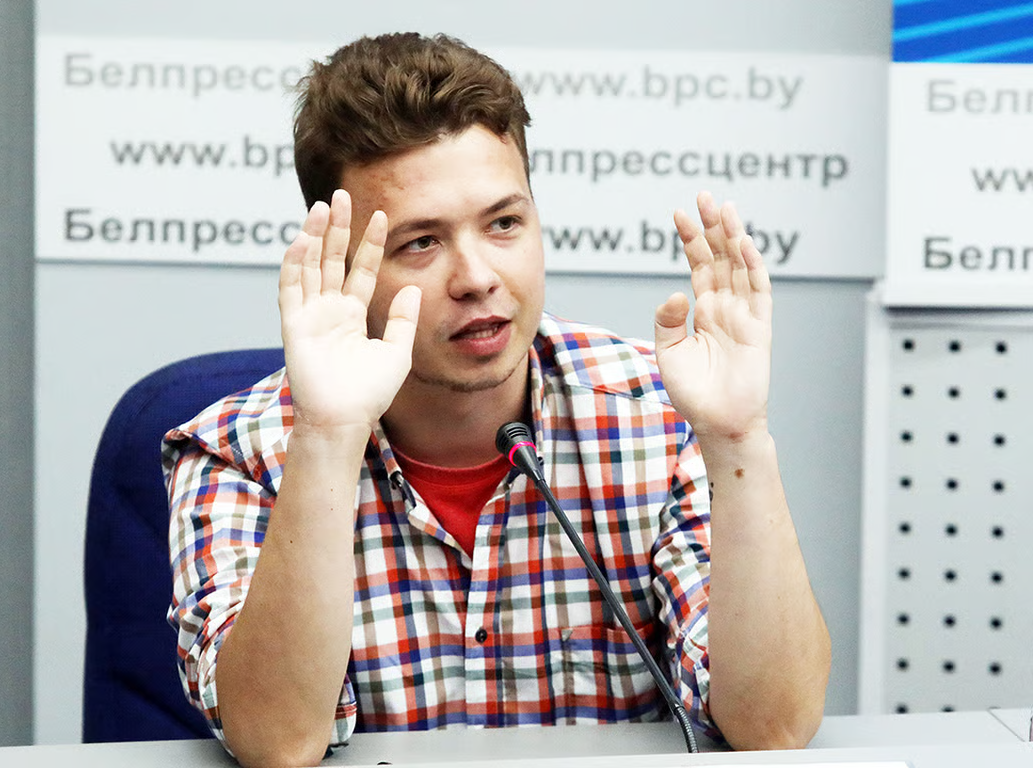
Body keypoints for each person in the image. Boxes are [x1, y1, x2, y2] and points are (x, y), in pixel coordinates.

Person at [164, 32, 831, 768]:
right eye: (421, 242)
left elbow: (772, 728)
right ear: (343, 266)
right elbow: (277, 743)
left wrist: (738, 439)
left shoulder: (658, 411)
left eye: (504, 223)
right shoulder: (236, 452)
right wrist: (326, 436)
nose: (477, 276)